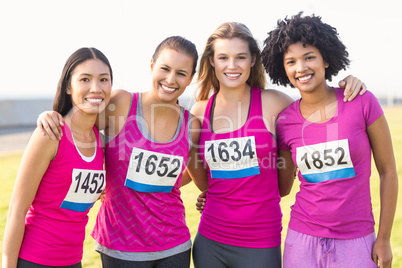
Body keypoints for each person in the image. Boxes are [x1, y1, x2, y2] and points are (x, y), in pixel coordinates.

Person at [190, 21, 367, 268]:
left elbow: (316, 105)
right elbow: (193, 165)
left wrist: (350, 82)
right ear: (211, 61)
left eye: (240, 57)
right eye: (223, 58)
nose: (232, 66)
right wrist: (208, 191)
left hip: (261, 241)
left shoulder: (275, 103)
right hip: (210, 240)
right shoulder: (199, 112)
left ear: (253, 60)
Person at [36, 36, 208, 268]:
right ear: (151, 66)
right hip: (120, 244)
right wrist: (51, 115)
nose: (170, 79)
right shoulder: (121, 103)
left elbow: (198, 176)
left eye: (181, 73)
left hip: (174, 244)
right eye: (165, 68)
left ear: (191, 77)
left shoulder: (192, 126)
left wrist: (207, 193)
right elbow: (78, 130)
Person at [261, 12, 398, 268]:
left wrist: (384, 237)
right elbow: (282, 188)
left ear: (325, 59)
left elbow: (388, 171)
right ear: (283, 69)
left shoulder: (360, 101)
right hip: (301, 241)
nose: (301, 68)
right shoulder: (285, 121)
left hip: (357, 241)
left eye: (309, 57)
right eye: (291, 62)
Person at [2, 47, 113, 268]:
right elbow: (17, 209)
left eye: (103, 79)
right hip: (35, 260)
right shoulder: (51, 134)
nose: (96, 88)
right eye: (85, 79)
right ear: (68, 87)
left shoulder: (101, 142)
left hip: (73, 261)